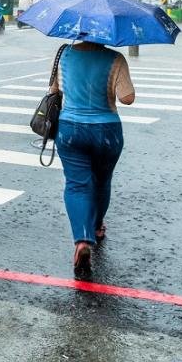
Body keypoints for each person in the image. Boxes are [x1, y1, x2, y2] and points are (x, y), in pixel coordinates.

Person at [49, 41, 135, 270]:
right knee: (101, 181)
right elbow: (127, 98)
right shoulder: (115, 59)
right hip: (106, 131)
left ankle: (82, 240)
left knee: (77, 185)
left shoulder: (63, 54)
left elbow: (53, 91)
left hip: (70, 130)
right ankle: (97, 227)